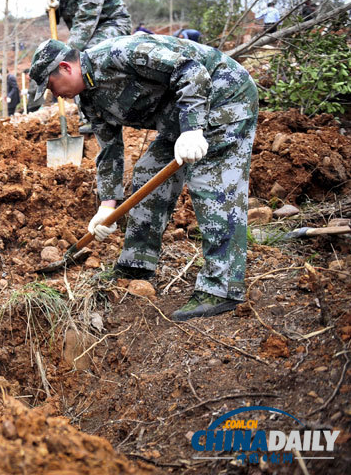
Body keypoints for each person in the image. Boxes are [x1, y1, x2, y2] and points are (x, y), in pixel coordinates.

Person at [29, 34, 258, 322]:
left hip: (224, 96)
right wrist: (106, 207)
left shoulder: (122, 54)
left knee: (211, 184)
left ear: (65, 67)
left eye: (51, 86)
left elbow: (190, 70)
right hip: (179, 117)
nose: (55, 95)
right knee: (149, 173)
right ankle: (137, 264)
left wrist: (192, 129)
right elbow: (109, 150)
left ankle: (222, 287)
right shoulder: (88, 100)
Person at [28, 0, 132, 127]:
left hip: (112, 23)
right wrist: (52, 8)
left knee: (84, 59)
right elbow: (57, 17)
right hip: (86, 29)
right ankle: (89, 116)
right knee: (77, 59)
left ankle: (101, 115)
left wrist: (65, 55)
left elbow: (85, 24)